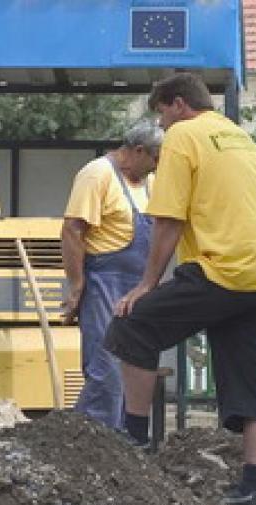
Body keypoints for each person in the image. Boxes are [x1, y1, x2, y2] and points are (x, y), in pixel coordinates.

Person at [103, 73, 256, 505]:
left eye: (161, 114)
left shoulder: (184, 135)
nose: (161, 125)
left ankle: (133, 440)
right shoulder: (239, 136)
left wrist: (147, 284)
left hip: (225, 266)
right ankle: (252, 487)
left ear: (177, 105)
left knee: (132, 324)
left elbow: (168, 219)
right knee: (255, 383)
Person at [61, 122, 162, 431]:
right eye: (155, 159)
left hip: (138, 285)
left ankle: (117, 441)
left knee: (131, 365)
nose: (158, 167)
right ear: (138, 151)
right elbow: (72, 230)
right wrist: (77, 285)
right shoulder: (98, 174)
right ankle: (91, 442)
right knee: (106, 367)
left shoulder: (149, 182)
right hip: (104, 280)